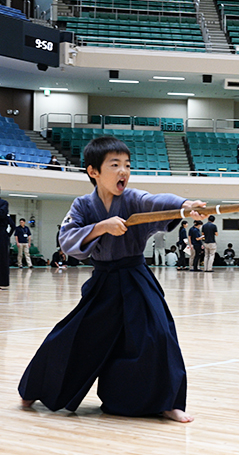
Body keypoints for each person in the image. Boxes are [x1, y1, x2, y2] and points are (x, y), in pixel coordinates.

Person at [18, 136, 203, 423]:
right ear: (93, 171)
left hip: (136, 279)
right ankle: (39, 388)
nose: (123, 171)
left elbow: (155, 202)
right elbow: (67, 240)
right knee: (71, 336)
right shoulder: (82, 206)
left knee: (158, 336)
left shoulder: (133, 200)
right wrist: (100, 227)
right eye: (115, 164)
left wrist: (183, 205)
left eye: (127, 165)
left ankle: (166, 402)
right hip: (103, 281)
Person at [0, 188, 10, 289]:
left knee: (2, 257)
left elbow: (1, 214)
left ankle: (2, 281)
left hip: (1, 233)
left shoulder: (3, 203)